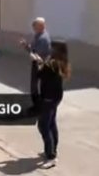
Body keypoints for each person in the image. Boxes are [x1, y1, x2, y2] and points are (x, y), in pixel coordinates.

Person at [30, 40, 70, 169]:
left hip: (48, 98)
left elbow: (40, 74)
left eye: (51, 48)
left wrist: (35, 62)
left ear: (56, 50)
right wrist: (40, 60)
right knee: (51, 123)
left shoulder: (52, 64)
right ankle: (53, 149)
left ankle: (51, 156)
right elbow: (47, 69)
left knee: (43, 126)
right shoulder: (60, 62)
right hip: (56, 97)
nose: (49, 50)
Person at [21, 17, 51, 112]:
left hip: (40, 64)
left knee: (36, 85)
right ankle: (37, 105)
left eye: (35, 25)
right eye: (33, 24)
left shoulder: (43, 38)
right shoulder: (38, 35)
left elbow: (36, 53)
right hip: (37, 63)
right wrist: (26, 46)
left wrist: (31, 53)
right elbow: (33, 49)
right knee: (34, 85)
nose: (33, 26)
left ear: (41, 26)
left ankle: (38, 106)